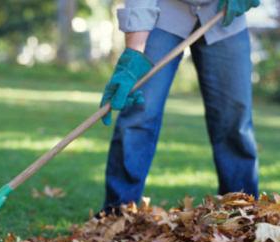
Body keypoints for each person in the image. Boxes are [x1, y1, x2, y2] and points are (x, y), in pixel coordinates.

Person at [99, 0, 260, 216]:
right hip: (164, 11)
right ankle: (116, 215)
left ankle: (243, 214)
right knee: (140, 110)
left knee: (234, 117)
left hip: (223, 11)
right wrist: (134, 53)